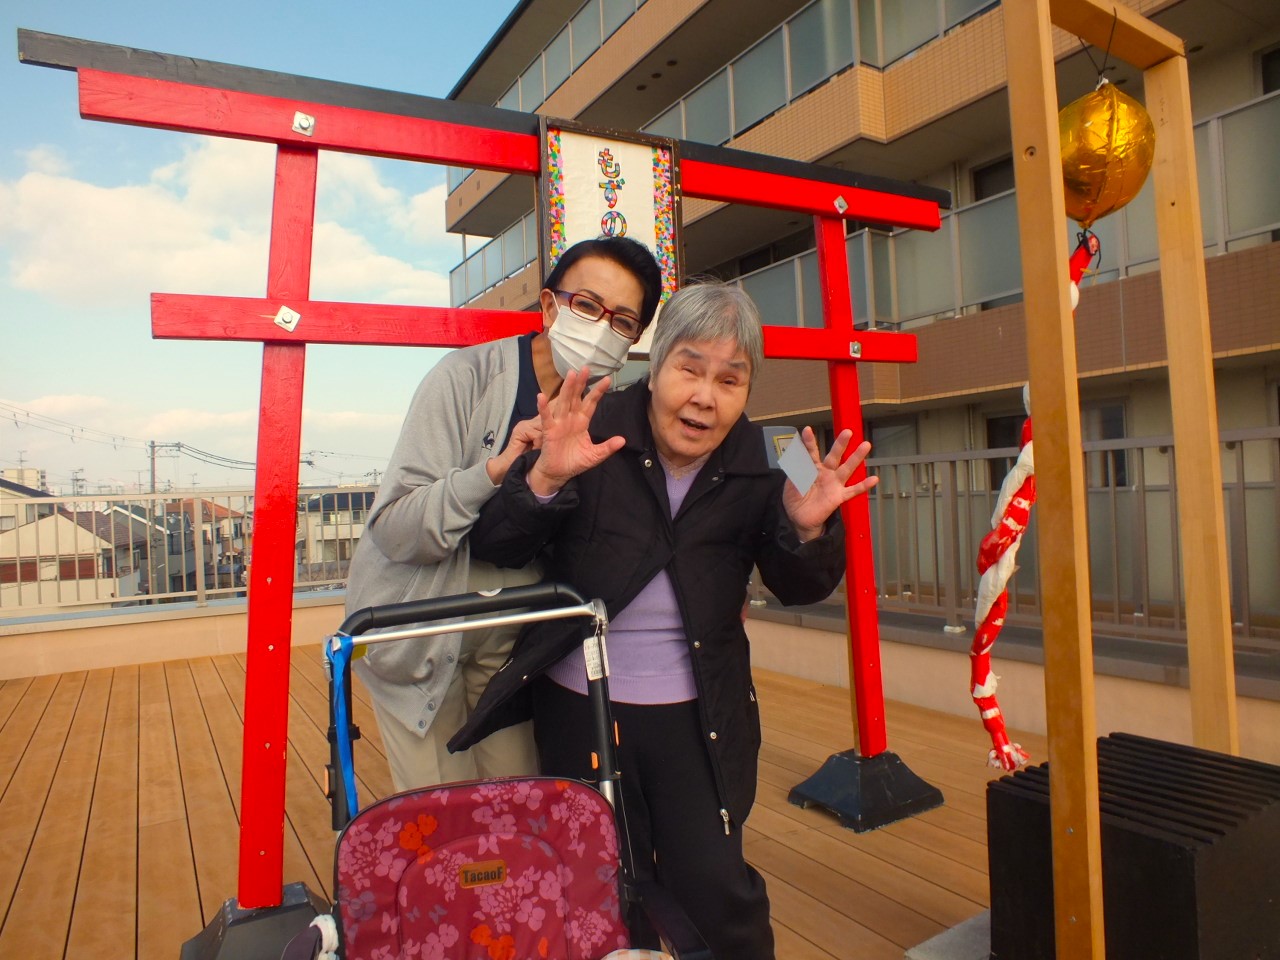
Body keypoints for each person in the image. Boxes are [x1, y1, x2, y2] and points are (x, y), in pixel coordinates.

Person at [450, 281, 878, 960]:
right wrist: (543, 483)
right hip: (579, 705)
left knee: (715, 888)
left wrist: (809, 531)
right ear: (656, 368)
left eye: (730, 380)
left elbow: (801, 587)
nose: (706, 397)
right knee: (599, 886)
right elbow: (496, 544)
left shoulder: (779, 453)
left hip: (699, 711)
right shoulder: (591, 420)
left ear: (748, 390)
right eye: (689, 368)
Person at [345, 236, 662, 793]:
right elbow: (394, 529)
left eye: (623, 322)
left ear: (636, 339)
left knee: (517, 799)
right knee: (443, 813)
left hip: (511, 632)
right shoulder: (465, 379)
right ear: (548, 307)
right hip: (420, 625)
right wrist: (494, 470)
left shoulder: (611, 413)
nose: (601, 329)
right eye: (587, 307)